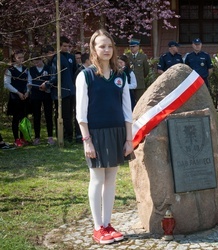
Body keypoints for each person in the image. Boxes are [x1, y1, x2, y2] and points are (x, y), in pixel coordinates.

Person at [75, 29, 133, 245]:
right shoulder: (86, 75)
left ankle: (108, 224)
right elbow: (81, 113)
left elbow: (127, 110)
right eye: (101, 46)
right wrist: (86, 140)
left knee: (111, 180)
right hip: (95, 134)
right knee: (97, 179)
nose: (106, 50)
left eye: (109, 46)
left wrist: (129, 139)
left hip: (117, 132)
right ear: (94, 49)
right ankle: (98, 227)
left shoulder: (121, 76)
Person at [45, 36, 77, 142]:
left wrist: (47, 85)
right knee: (64, 114)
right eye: (64, 46)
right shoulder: (56, 58)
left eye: (68, 46)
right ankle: (65, 135)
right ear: (58, 46)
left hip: (66, 90)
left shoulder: (70, 57)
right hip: (64, 90)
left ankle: (67, 136)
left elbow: (74, 73)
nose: (66, 48)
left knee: (66, 115)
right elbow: (56, 75)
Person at [4, 49, 30, 147]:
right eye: (19, 58)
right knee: (16, 118)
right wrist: (18, 93)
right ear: (14, 59)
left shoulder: (25, 69)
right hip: (15, 97)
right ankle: (16, 139)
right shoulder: (9, 70)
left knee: (24, 118)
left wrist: (27, 92)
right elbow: (6, 84)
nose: (21, 59)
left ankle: (23, 137)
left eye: (22, 57)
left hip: (25, 96)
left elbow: (29, 81)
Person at [28, 52, 55, 145]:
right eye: (34, 62)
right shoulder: (31, 70)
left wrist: (46, 87)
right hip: (35, 95)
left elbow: (52, 80)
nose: (36, 64)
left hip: (46, 95)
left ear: (41, 59)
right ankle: (37, 137)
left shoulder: (49, 68)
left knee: (48, 115)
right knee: (36, 116)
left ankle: (50, 137)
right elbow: (29, 82)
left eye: (38, 61)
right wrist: (37, 87)